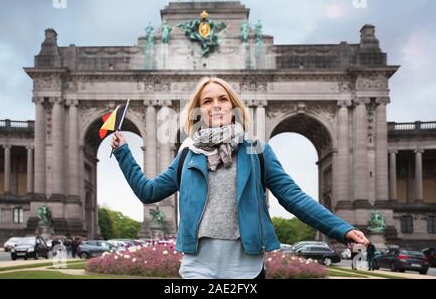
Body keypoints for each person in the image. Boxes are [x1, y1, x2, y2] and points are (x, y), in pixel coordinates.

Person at [111, 76, 370, 279]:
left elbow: (293, 197)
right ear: (198, 110)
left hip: (245, 270)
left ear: (232, 106)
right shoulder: (187, 154)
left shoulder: (257, 151)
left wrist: (341, 228)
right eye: (207, 101)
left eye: (222, 99)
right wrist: (123, 152)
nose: (215, 106)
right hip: (196, 269)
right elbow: (148, 191)